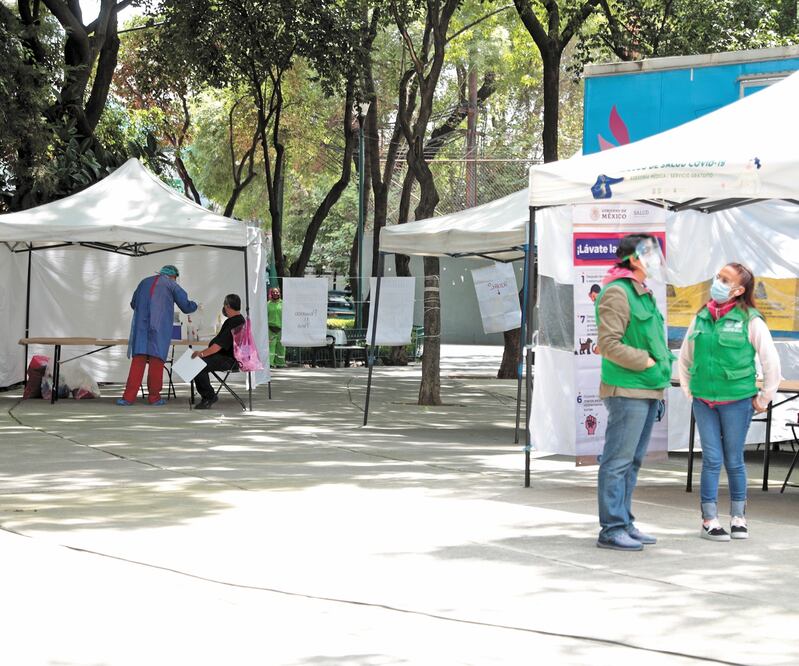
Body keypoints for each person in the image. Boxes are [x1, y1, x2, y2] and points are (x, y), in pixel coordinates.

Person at [678, 263, 780, 541]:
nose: (718, 282)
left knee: (734, 460)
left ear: (738, 290)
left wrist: (764, 397)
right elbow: (685, 356)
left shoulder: (751, 319)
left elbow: (772, 362)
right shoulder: (701, 316)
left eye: (725, 279)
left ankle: (738, 517)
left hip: (737, 401)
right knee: (711, 459)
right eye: (718, 277)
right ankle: (709, 520)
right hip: (703, 401)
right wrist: (688, 388)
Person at [595, 234, 674, 551]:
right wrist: (646, 362)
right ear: (632, 259)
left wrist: (658, 372)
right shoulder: (617, 292)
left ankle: (624, 522)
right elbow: (609, 344)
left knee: (633, 461)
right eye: (649, 254)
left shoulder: (643, 293)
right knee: (617, 461)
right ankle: (611, 529)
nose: (655, 260)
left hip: (647, 388)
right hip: (627, 389)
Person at [118, 265, 197, 406]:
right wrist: (196, 306)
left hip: (141, 329)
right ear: (173, 276)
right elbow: (186, 306)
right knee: (156, 363)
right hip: (159, 331)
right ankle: (154, 398)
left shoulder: (144, 282)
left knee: (138, 362)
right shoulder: (171, 285)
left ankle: (127, 398)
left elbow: (133, 303)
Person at [191, 293, 246, 409]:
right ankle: (208, 395)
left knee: (197, 364)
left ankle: (209, 396)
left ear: (227, 306)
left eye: (224, 305)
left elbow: (217, 347)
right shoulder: (238, 320)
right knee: (197, 363)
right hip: (227, 357)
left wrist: (201, 354)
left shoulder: (233, 322)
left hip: (229, 360)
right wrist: (203, 353)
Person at [267, 287, 286, 368]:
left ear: (279, 293)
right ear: (271, 294)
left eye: (277, 292)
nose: (275, 293)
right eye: (273, 292)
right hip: (270, 329)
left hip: (281, 328)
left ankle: (280, 363)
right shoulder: (267, 304)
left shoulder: (283, 303)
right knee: (271, 347)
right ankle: (270, 363)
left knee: (281, 346)